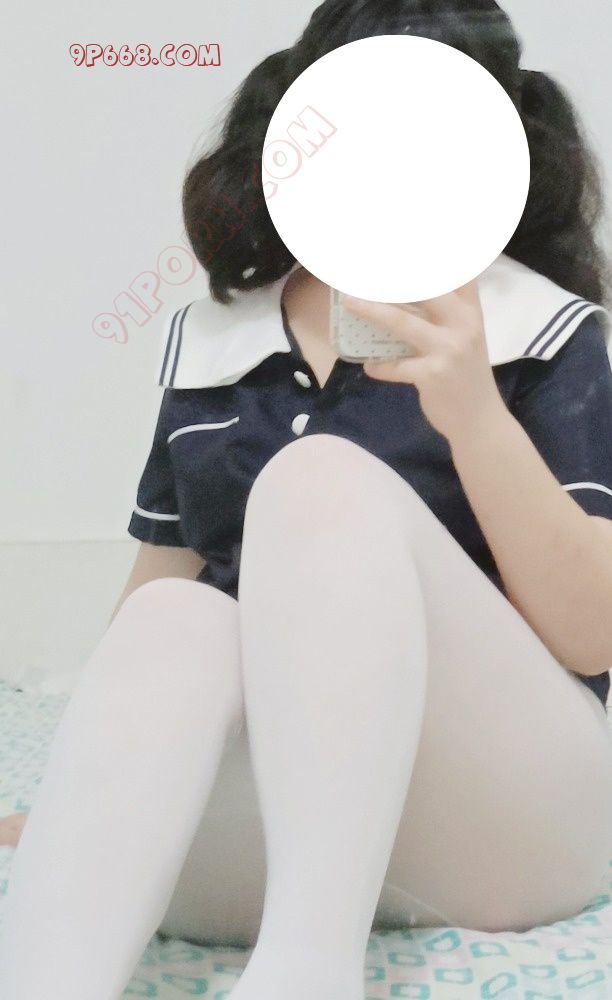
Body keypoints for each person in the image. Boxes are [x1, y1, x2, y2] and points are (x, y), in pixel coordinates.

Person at [2, 2, 612, 998]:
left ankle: (308, 972)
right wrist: (82, 803)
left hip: (509, 823)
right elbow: (151, 601)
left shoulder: (539, 330)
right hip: (277, 829)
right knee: (172, 618)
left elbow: (592, 634)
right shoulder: (214, 343)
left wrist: (474, 415)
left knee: (319, 479)